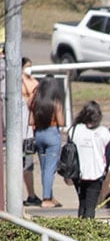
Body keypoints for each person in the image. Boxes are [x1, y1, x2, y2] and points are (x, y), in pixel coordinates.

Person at [69, 101, 110, 219]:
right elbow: (108, 155)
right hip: (96, 172)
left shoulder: (74, 130)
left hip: (78, 173)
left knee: (82, 203)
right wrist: (105, 170)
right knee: (90, 206)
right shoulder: (104, 132)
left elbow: (69, 152)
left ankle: (80, 229)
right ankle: (87, 231)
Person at [30, 75, 65, 208]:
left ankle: (50, 195)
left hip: (38, 134)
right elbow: (61, 122)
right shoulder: (55, 102)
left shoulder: (36, 102)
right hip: (52, 133)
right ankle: (46, 199)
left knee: (45, 168)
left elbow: (31, 122)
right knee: (50, 169)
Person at [21, 57, 42, 206]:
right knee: (25, 165)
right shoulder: (19, 85)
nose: (30, 69)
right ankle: (30, 194)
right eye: (27, 66)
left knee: (28, 165)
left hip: (29, 133)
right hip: (22, 134)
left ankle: (31, 194)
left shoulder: (32, 82)